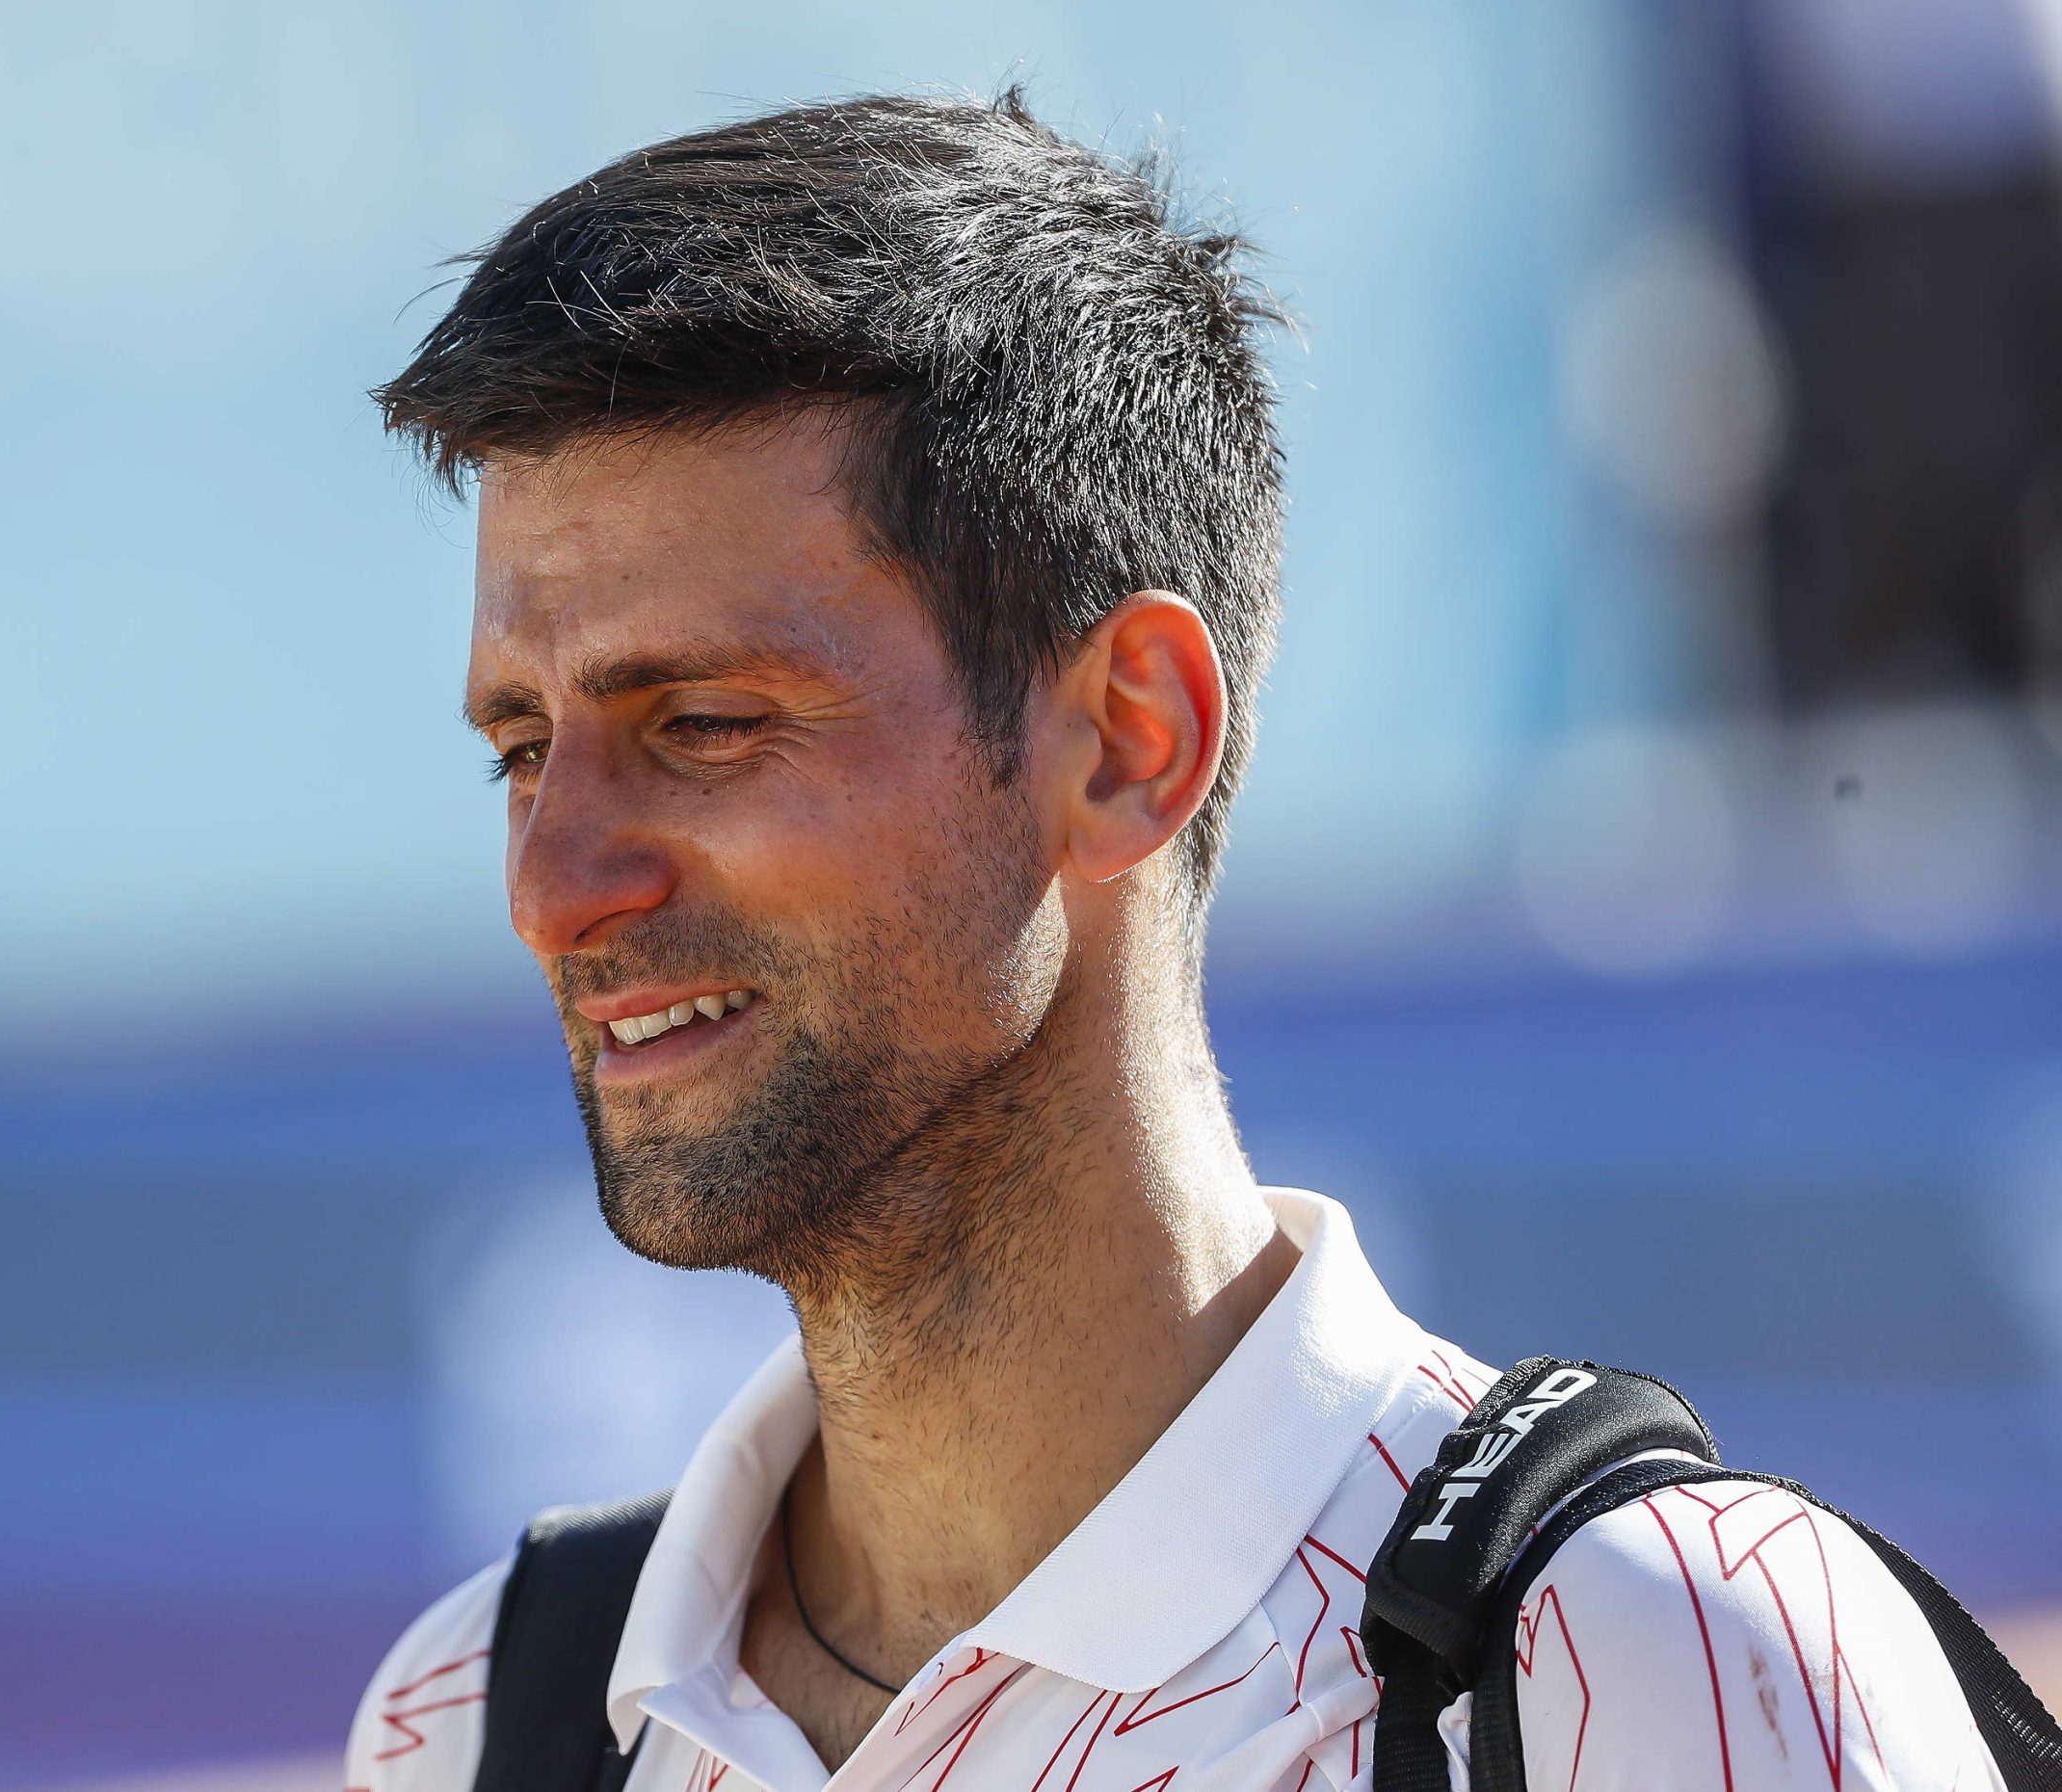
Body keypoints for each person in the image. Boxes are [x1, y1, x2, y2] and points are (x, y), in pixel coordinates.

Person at [346, 92, 2003, 1792]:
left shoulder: (1656, 1659)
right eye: (522, 749)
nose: (553, 886)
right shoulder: (480, 1718)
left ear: (1133, 740)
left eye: (701, 723)